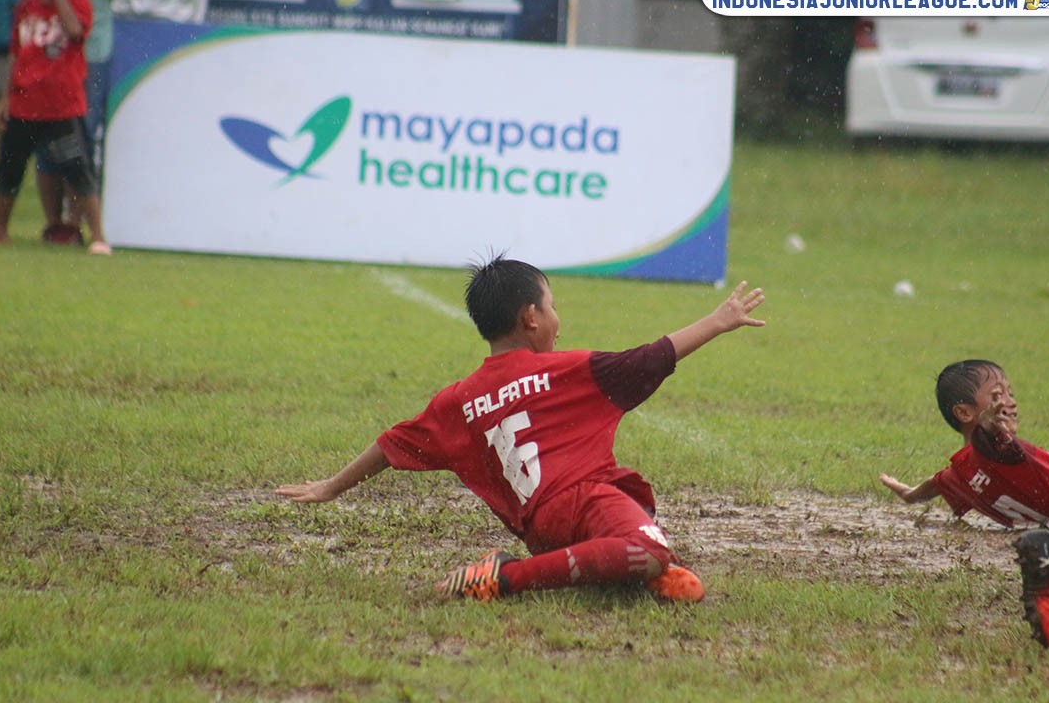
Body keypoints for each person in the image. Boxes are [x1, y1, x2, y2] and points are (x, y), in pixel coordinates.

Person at [277, 255, 766, 602]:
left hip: (544, 530)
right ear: (530, 317)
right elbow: (652, 356)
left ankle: (628, 570)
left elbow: (391, 444)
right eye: (552, 306)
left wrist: (330, 487)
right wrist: (718, 320)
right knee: (649, 547)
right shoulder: (568, 369)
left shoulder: (459, 399)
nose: (557, 318)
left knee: (635, 516)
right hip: (582, 500)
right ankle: (506, 577)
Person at [880, 360, 1049, 649]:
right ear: (964, 412)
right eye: (997, 395)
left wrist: (909, 495)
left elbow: (934, 484)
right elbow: (987, 439)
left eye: (1010, 393)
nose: (1010, 402)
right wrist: (988, 426)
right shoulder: (997, 446)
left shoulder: (961, 473)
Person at [0, 0, 110, 253]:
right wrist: (6, 98)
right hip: (25, 103)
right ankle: (0, 229)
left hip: (62, 105)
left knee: (78, 168)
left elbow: (74, 32)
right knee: (10, 168)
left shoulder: (79, 3)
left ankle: (98, 235)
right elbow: (16, 52)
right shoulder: (27, 7)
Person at [34, 0, 143, 245]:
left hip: (88, 53)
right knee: (46, 140)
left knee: (79, 143)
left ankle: (78, 225)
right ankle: (55, 225)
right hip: (42, 53)